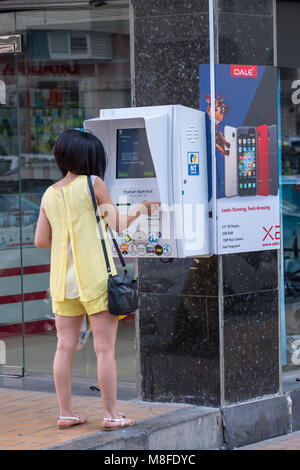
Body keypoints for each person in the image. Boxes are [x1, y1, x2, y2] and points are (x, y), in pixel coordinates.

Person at [34, 129, 159, 430]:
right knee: (104, 350)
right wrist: (143, 207)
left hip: (62, 282)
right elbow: (117, 224)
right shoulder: (93, 184)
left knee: (64, 347)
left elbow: (40, 240)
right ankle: (111, 414)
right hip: (96, 278)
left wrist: (69, 238)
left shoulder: (50, 193)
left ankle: (66, 413)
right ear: (89, 157)